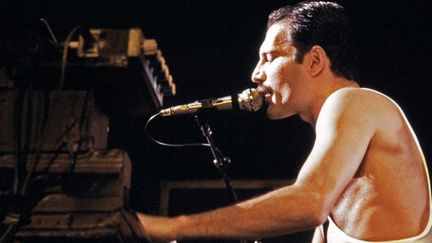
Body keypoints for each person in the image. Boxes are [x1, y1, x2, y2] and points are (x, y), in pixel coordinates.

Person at [136, 1, 432, 242]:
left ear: (315, 61)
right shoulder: (341, 158)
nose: (255, 73)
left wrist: (172, 228)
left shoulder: (353, 101)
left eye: (269, 57)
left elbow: (309, 201)